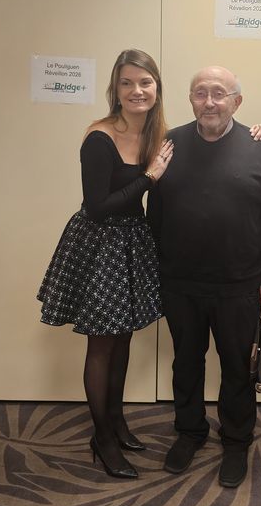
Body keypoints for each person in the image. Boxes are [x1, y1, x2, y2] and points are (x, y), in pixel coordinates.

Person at [38, 49, 173, 479]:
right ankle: (102, 438)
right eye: (127, 82)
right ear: (115, 88)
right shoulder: (99, 137)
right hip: (100, 244)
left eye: (145, 82)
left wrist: (258, 133)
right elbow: (97, 207)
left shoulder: (157, 134)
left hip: (133, 242)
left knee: (124, 338)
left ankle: (116, 421)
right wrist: (148, 178)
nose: (137, 90)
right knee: (101, 344)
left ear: (157, 88)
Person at [147, 66, 261, 488]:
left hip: (239, 284)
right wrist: (157, 271)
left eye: (219, 93)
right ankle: (189, 431)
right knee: (186, 362)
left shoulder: (259, 146)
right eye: (200, 93)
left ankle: (236, 440)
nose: (209, 102)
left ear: (236, 102)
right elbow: (155, 214)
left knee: (237, 368)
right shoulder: (170, 143)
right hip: (181, 282)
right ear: (190, 99)